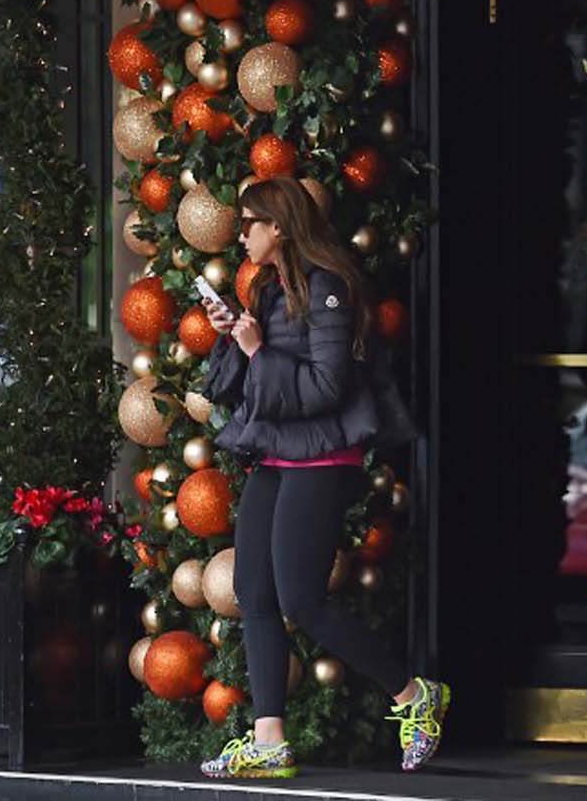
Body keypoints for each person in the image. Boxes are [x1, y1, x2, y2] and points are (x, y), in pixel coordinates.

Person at [194, 177, 447, 779]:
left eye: (250, 222)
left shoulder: (328, 289)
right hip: (276, 455)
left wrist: (260, 354)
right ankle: (269, 739)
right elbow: (237, 388)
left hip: (322, 458)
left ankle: (414, 696)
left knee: (302, 600)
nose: (243, 234)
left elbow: (329, 386)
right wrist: (235, 333)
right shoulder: (266, 289)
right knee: (253, 595)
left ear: (279, 226)